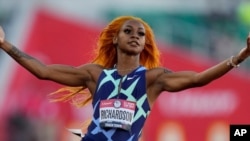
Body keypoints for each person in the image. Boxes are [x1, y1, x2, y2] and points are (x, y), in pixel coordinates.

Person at [0, 16, 249, 141]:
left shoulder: (153, 79)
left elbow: (197, 79)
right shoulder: (94, 75)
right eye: (127, 31)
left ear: (144, 43)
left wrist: (240, 56)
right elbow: (43, 71)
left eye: (140, 33)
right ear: (115, 39)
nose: (134, 36)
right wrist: (4, 44)